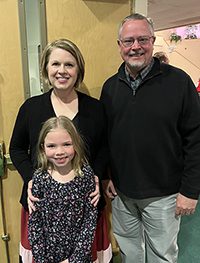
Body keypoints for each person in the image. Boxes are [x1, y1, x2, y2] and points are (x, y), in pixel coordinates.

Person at [100, 13, 200, 263]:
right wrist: (106, 175)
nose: (136, 46)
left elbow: (196, 138)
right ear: (119, 46)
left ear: (153, 41)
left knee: (162, 255)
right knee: (129, 253)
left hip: (164, 195)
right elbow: (106, 139)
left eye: (142, 39)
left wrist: (191, 190)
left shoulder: (179, 82)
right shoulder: (110, 88)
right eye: (128, 41)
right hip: (122, 194)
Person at [9, 39, 112, 263]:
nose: (62, 71)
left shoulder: (95, 109)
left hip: (85, 206)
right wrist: (31, 180)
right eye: (55, 64)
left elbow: (105, 148)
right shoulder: (31, 108)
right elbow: (16, 149)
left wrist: (94, 176)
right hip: (41, 206)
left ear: (78, 70)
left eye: (69, 64)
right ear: (46, 68)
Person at [28, 116, 97, 262]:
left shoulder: (85, 175)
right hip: (48, 256)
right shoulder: (40, 179)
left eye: (66, 144)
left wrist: (74, 260)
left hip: (79, 257)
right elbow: (35, 224)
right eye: (51, 146)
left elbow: (89, 222)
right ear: (42, 147)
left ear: (76, 144)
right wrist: (41, 259)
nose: (59, 152)